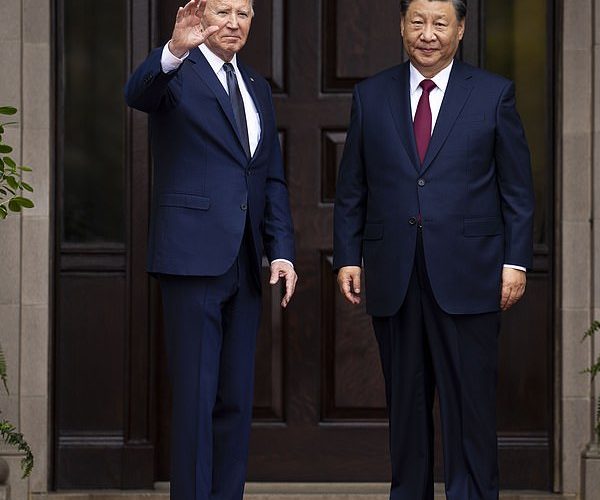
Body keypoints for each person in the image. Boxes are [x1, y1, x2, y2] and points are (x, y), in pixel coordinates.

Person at [333, 0, 534, 498]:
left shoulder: (493, 94)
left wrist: (515, 261)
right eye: (417, 22)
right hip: (395, 274)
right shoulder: (370, 95)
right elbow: (353, 187)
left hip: (471, 273)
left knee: (470, 408)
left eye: (440, 23)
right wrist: (348, 256)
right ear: (401, 26)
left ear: (460, 30)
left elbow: (516, 190)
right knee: (406, 407)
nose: (428, 34)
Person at [125, 0, 297, 498]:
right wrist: (174, 50)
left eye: (243, 13)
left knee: (235, 402)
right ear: (200, 16)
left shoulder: (257, 86)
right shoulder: (177, 71)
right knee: (196, 402)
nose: (233, 23)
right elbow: (137, 93)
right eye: (223, 11)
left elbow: (270, 177)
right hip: (192, 259)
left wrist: (281, 250)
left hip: (246, 262)